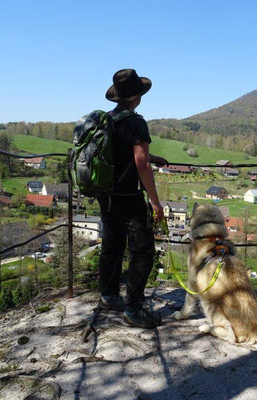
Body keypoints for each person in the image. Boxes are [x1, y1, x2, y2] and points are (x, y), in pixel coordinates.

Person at [97, 69, 167, 328]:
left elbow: (121, 153)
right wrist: (155, 201)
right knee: (143, 250)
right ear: (137, 96)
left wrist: (150, 155)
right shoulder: (137, 122)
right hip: (128, 196)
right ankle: (133, 309)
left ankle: (108, 296)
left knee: (112, 245)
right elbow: (139, 162)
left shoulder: (108, 119)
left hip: (106, 195)